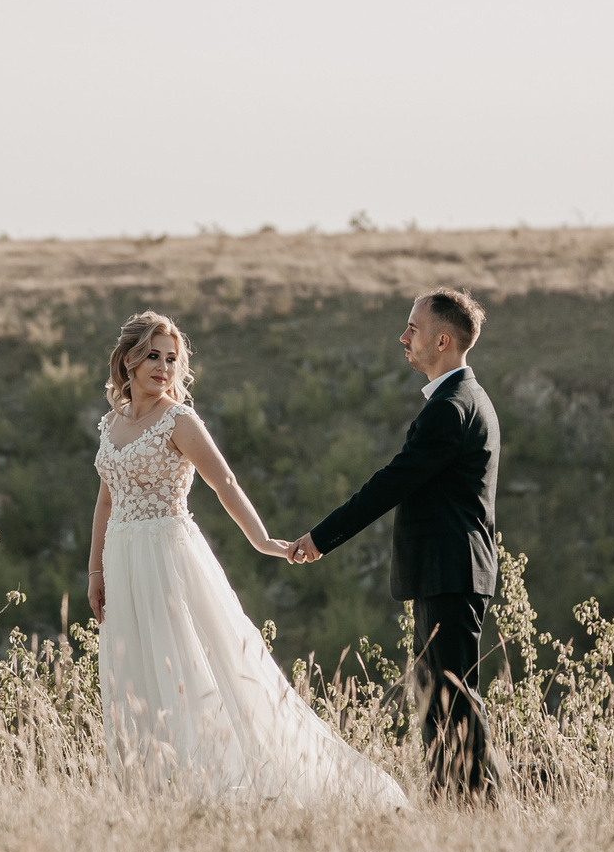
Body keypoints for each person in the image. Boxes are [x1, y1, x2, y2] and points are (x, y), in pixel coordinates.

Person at [87, 311, 408, 811]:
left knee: (192, 665)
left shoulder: (179, 420)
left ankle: (218, 790)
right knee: (135, 671)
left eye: (172, 359)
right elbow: (106, 501)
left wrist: (262, 541)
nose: (163, 367)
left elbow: (225, 484)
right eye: (153, 355)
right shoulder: (109, 425)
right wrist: (96, 572)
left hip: (169, 559)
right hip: (122, 563)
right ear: (127, 359)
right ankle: (152, 795)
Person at [290, 289, 502, 799]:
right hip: (449, 571)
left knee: (451, 700)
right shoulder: (464, 400)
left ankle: (474, 808)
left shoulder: (451, 408)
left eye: (413, 328)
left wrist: (322, 538)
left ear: (443, 340)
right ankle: (459, 806)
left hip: (450, 570)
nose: (403, 337)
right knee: (441, 698)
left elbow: (391, 483)